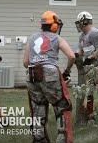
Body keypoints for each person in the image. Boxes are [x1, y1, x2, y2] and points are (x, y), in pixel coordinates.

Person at [23, 11, 75, 143]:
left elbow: (25, 62)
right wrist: (67, 70)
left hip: (32, 74)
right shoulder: (57, 38)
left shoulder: (32, 38)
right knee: (61, 106)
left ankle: (39, 139)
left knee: (37, 107)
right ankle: (62, 139)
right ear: (53, 26)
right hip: (50, 72)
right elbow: (72, 56)